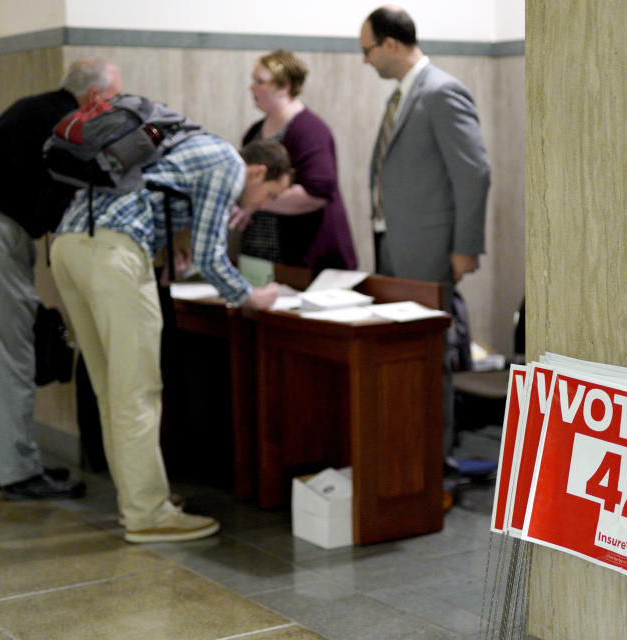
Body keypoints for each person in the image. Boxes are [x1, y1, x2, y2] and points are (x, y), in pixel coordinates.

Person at [50, 135, 291, 543]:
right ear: (258, 171)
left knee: (111, 389)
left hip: (68, 245)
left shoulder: (194, 144)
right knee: (138, 390)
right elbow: (211, 254)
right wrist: (252, 297)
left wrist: (174, 237)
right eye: (269, 195)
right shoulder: (229, 166)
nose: (263, 205)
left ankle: (138, 498)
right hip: (114, 254)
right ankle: (148, 514)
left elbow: (158, 196)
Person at [0, 57, 121, 500]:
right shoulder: (65, 124)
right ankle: (18, 473)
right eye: (114, 100)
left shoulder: (38, 108)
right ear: (96, 97)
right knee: (10, 353)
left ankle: (8, 463)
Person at [359, 6, 491, 459]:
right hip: (393, 242)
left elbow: (473, 173)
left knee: (431, 357)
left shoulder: (441, 91)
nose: (365, 60)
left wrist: (465, 247)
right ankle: (407, 454)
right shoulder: (403, 94)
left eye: (368, 50)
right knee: (405, 355)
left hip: (429, 248)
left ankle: (436, 460)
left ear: (391, 44)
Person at [230, 50, 357, 273]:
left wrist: (257, 201)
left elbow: (317, 192)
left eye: (260, 81)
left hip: (302, 254)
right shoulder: (254, 133)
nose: (252, 87)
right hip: (259, 254)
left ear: (284, 86)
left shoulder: (309, 129)